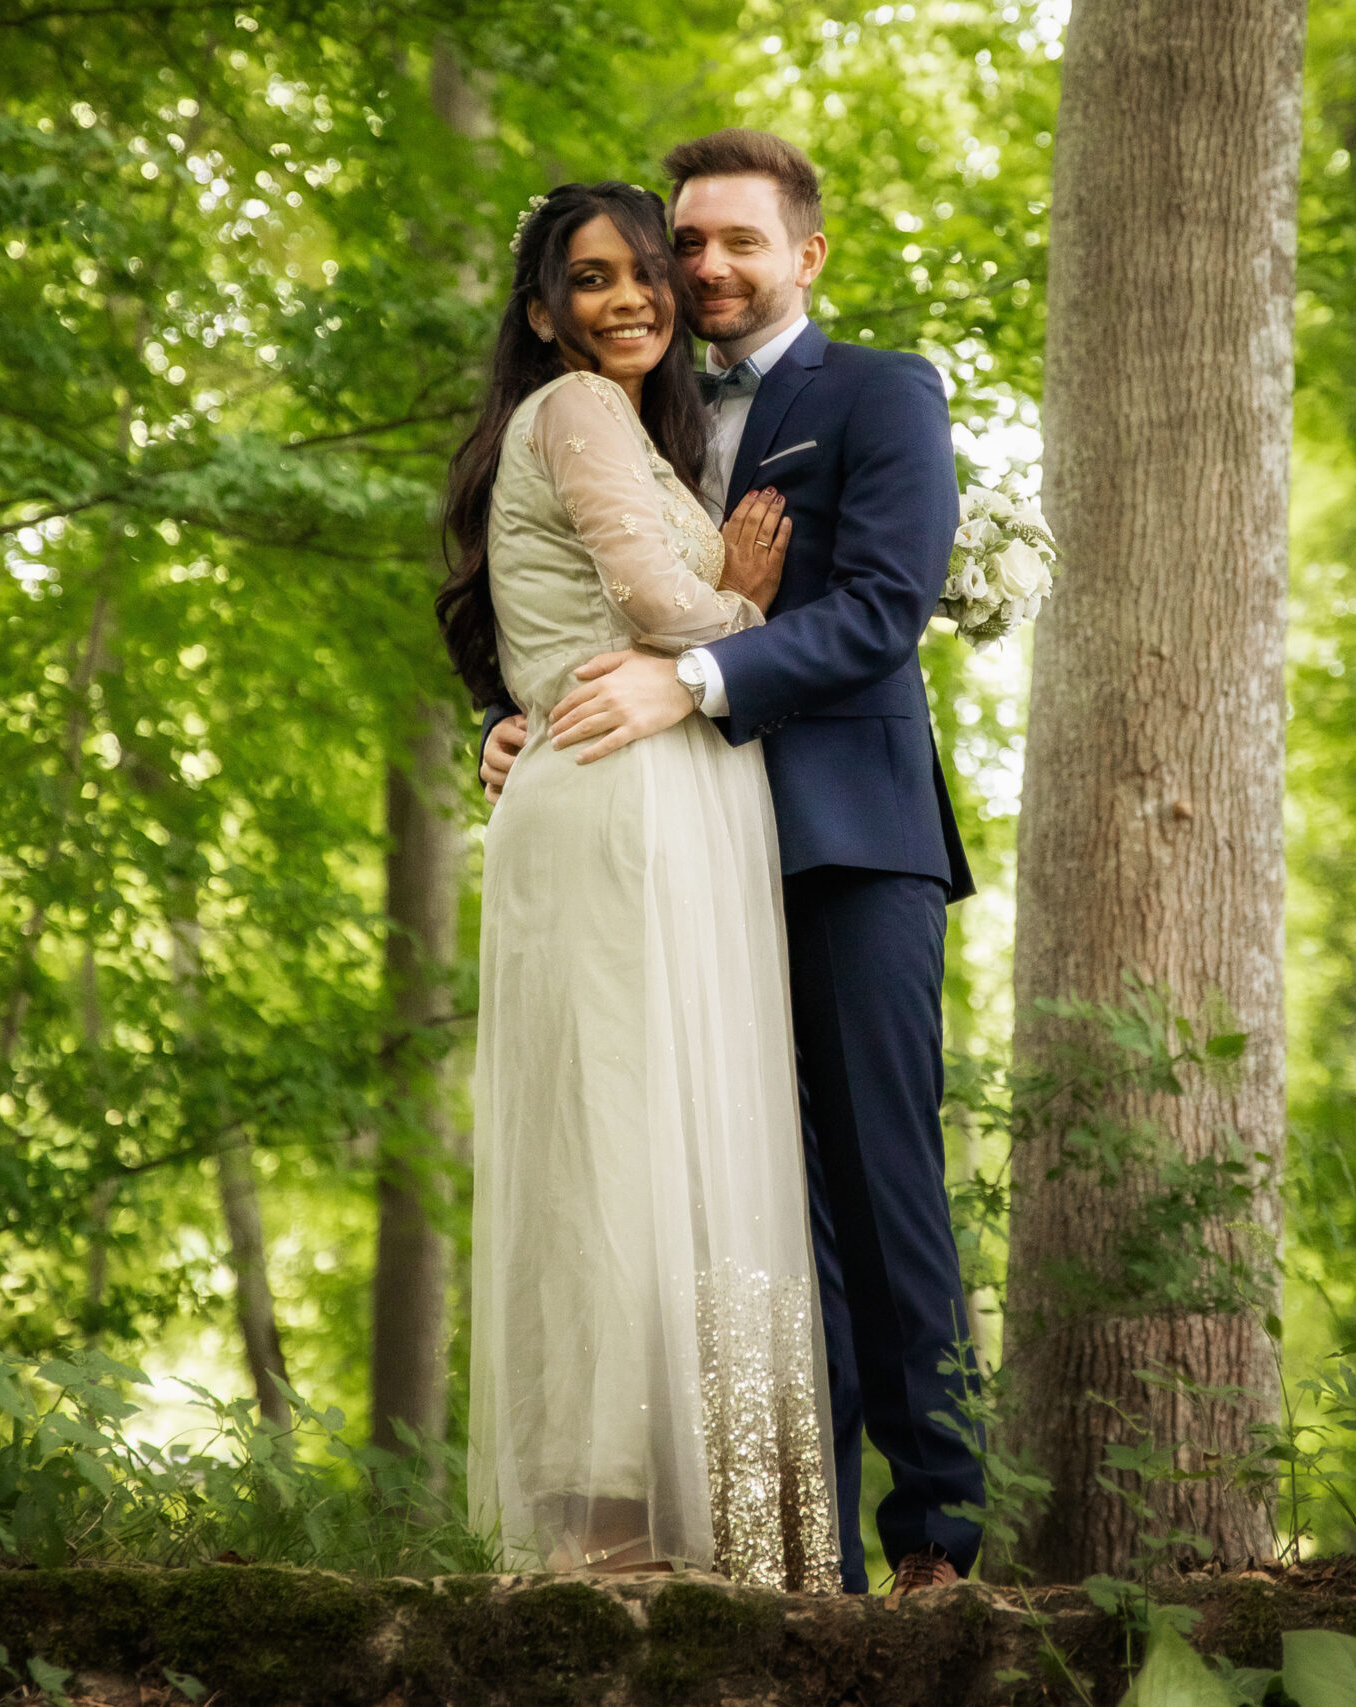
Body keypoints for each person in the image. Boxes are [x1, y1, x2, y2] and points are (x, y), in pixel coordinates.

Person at [474, 131, 985, 1602]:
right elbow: (547, 577)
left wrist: (695, 675)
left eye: (734, 244)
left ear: (805, 255)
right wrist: (518, 719)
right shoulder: (631, 409)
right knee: (741, 1206)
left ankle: (936, 1540)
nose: (702, 270)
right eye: (683, 242)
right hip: (676, 846)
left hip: (844, 839)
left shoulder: (878, 393)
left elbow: (881, 608)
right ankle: (777, 1550)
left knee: (881, 1194)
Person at [444, 178, 839, 1590]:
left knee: (682, 1145)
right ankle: (609, 1535)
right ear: (543, 313)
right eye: (589, 280)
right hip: (624, 797)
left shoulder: (622, 427)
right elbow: (666, 610)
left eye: (641, 273)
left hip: (662, 791)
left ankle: (705, 1522)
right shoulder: (578, 410)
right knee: (616, 1157)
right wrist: (740, 602)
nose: (627, 299)